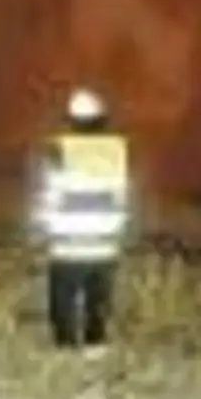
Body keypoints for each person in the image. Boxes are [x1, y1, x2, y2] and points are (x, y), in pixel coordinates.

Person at [34, 87, 130, 348]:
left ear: (71, 119)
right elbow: (121, 194)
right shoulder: (117, 149)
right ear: (102, 118)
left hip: (68, 241)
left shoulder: (58, 148)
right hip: (104, 241)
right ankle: (95, 343)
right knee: (98, 298)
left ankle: (66, 345)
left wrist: (43, 230)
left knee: (63, 297)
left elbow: (48, 193)